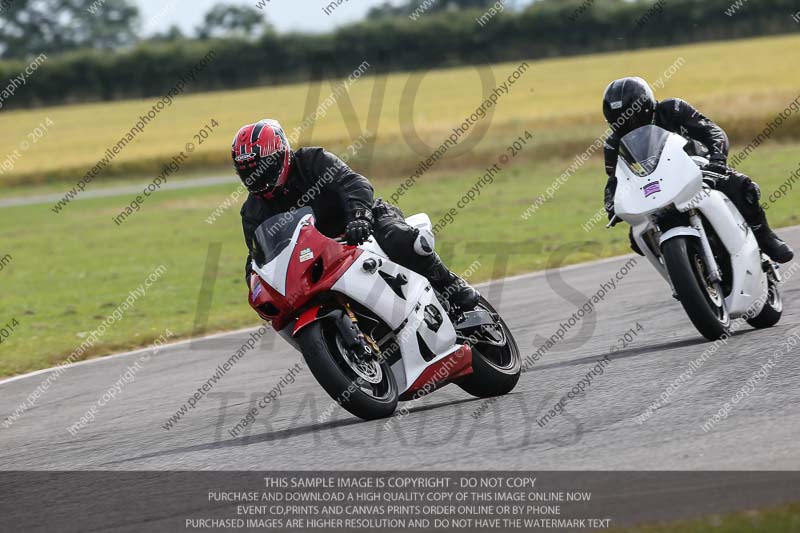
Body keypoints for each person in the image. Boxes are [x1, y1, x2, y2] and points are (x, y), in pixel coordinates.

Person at [232, 119, 481, 310]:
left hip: (361, 224)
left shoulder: (311, 160)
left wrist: (360, 216)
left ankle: (450, 285)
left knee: (400, 239)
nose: (259, 178)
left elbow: (353, 182)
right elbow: (258, 256)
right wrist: (257, 286)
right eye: (248, 172)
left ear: (282, 154)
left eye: (264, 168)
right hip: (319, 257)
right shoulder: (253, 210)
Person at [601, 77, 794, 263]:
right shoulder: (613, 143)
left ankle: (764, 236)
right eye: (620, 121)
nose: (628, 125)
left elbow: (712, 131)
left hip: (699, 167)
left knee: (741, 186)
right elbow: (616, 178)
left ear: (646, 107)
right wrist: (612, 203)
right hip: (656, 185)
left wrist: (717, 161)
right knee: (639, 238)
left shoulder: (673, 109)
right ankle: (678, 270)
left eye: (631, 118)